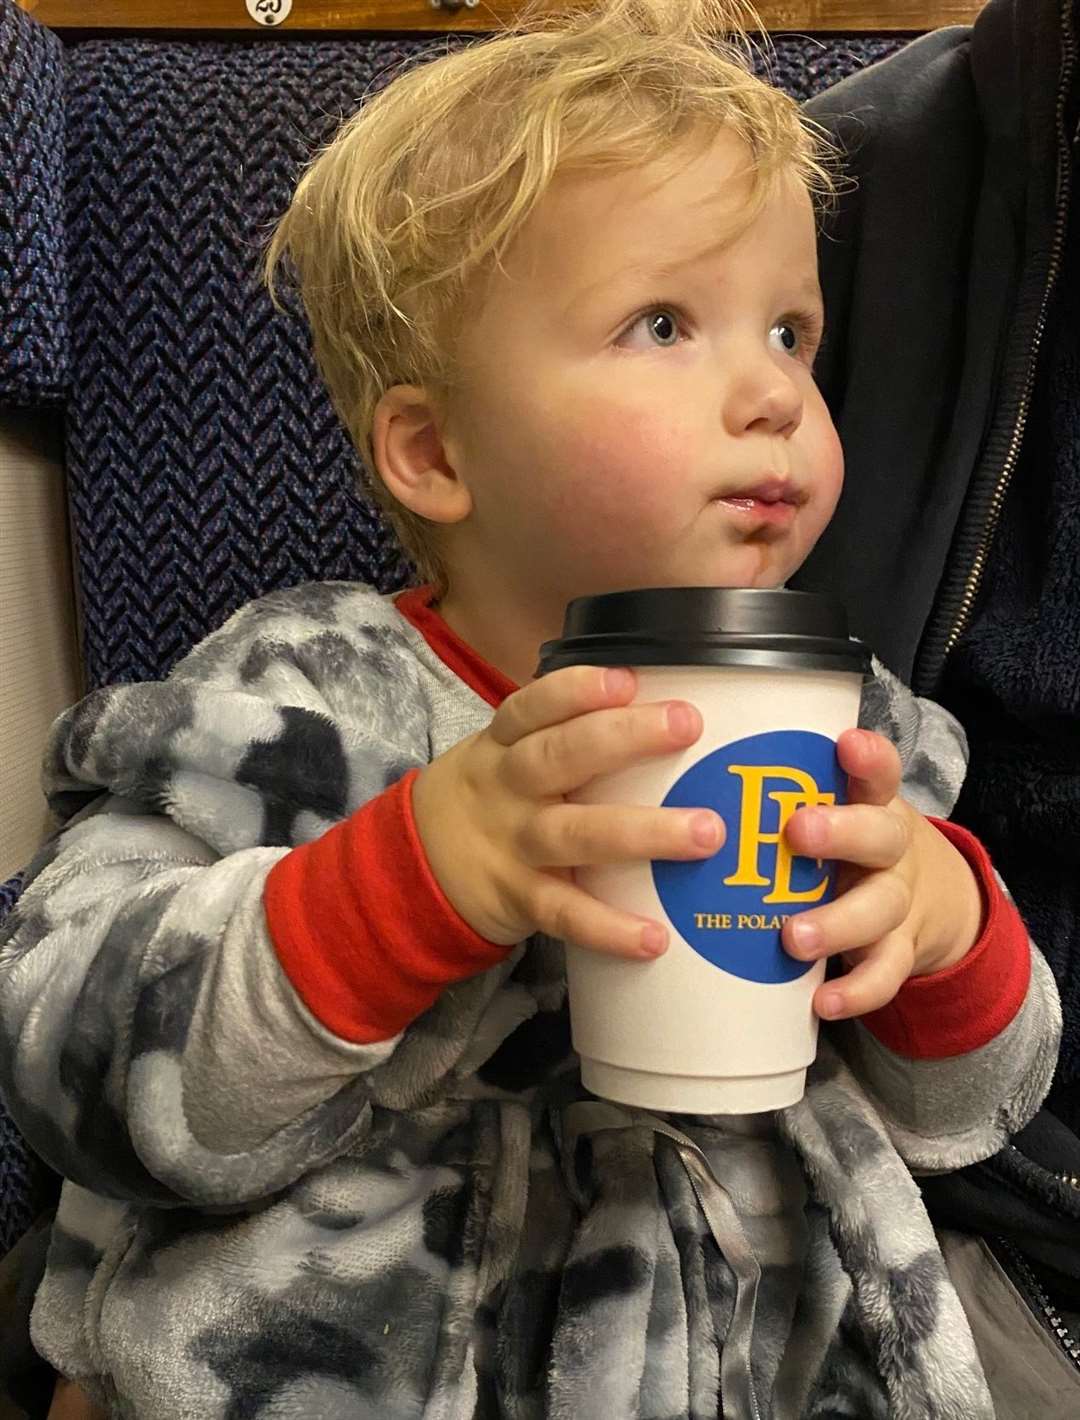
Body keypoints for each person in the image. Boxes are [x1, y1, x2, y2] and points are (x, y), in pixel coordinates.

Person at [0, 2, 1062, 1416]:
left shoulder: (856, 718)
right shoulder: (297, 694)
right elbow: (61, 1042)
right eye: (666, 324)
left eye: (796, 332)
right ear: (435, 451)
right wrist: (407, 878)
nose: (773, 394)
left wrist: (944, 932)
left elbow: (967, 1118)